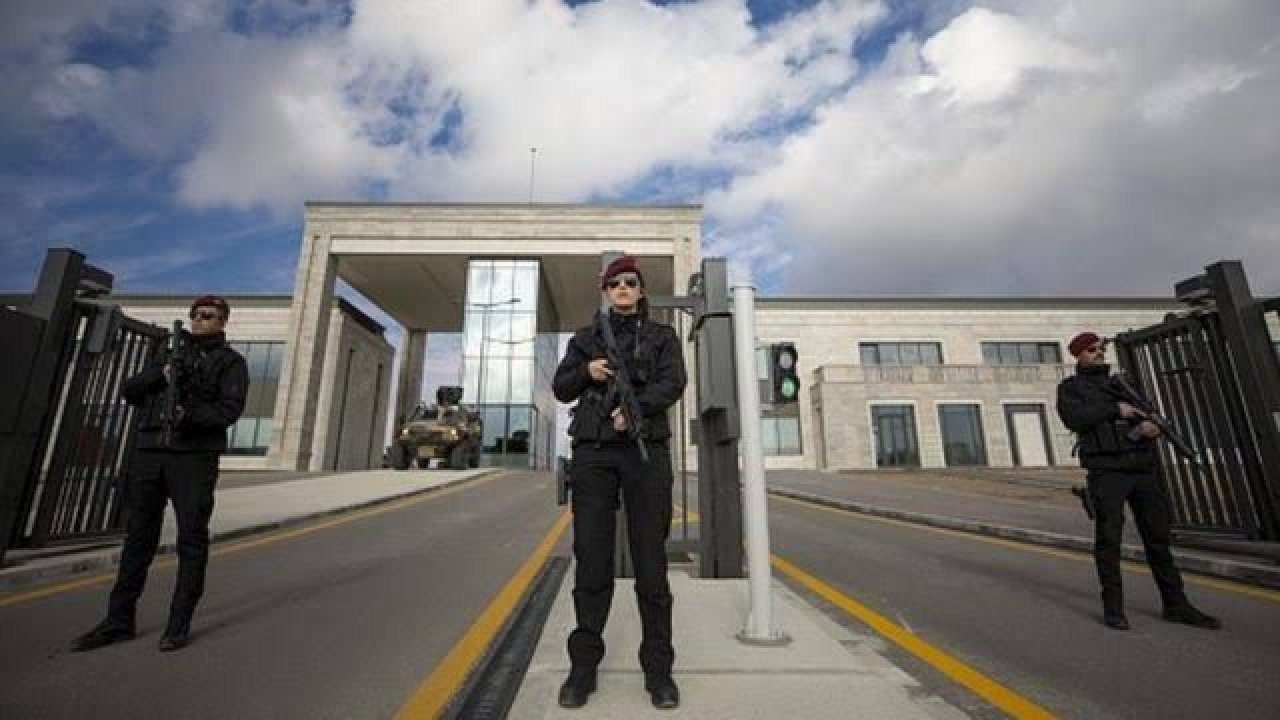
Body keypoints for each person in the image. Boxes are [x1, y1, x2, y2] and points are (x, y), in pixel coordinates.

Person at [71, 295, 248, 653]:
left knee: (191, 539)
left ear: (222, 322)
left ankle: (178, 625)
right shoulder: (167, 351)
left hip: (193, 458)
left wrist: (190, 414)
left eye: (208, 316)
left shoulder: (231, 362)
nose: (199, 320)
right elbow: (129, 390)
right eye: (196, 314)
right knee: (138, 538)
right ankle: (118, 621)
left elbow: (229, 411)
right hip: (151, 452)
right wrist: (162, 374)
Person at [552, 255, 687, 709]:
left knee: (651, 563)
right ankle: (583, 669)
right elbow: (560, 387)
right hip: (593, 454)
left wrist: (636, 409)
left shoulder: (662, 337)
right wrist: (586, 371)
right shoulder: (585, 338)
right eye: (616, 283)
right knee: (592, 560)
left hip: (644, 451)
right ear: (606, 291)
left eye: (631, 282)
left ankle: (659, 672)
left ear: (641, 290)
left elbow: (674, 382)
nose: (623, 288)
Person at [1056, 331, 1220, 631]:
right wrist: (1114, 409)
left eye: (1101, 348)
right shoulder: (1071, 388)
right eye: (1091, 349)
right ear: (1078, 355)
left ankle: (1176, 604)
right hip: (1108, 471)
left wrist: (1148, 426)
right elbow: (1074, 419)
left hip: (1142, 468)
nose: (1098, 352)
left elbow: (1146, 412)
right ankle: (1114, 607)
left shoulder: (1122, 385)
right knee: (1109, 540)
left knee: (1158, 539)